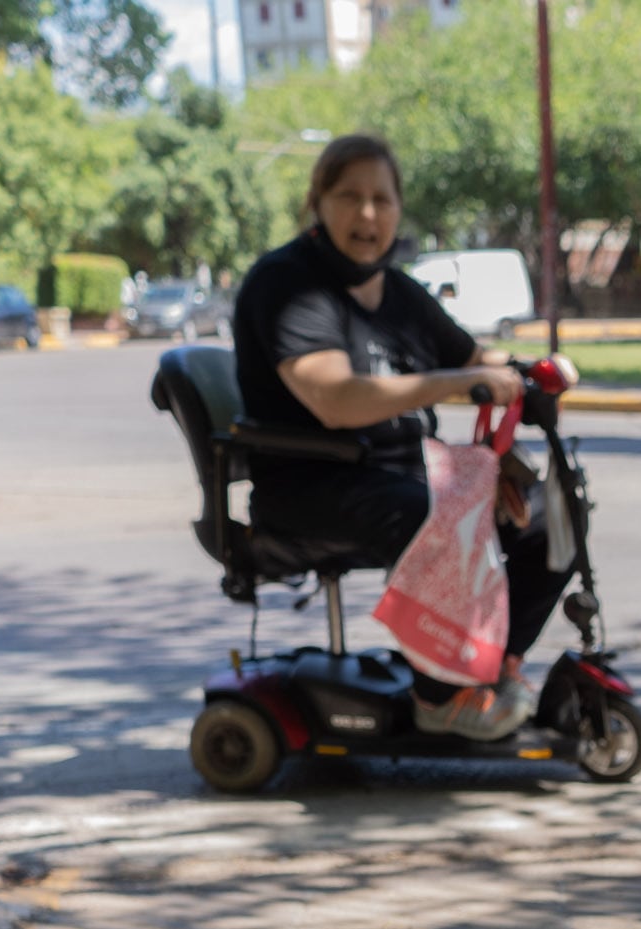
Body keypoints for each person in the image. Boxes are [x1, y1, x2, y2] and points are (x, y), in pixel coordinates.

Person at [230, 131, 579, 739]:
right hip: (313, 483)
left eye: (382, 199)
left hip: (402, 473)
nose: (367, 214)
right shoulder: (288, 285)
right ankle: (438, 696)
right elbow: (336, 398)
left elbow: (477, 357)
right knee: (439, 521)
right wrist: (453, 381)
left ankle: (493, 668)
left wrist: (531, 373)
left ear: (398, 209)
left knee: (550, 515)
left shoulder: (400, 293)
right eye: (350, 197)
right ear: (319, 201)